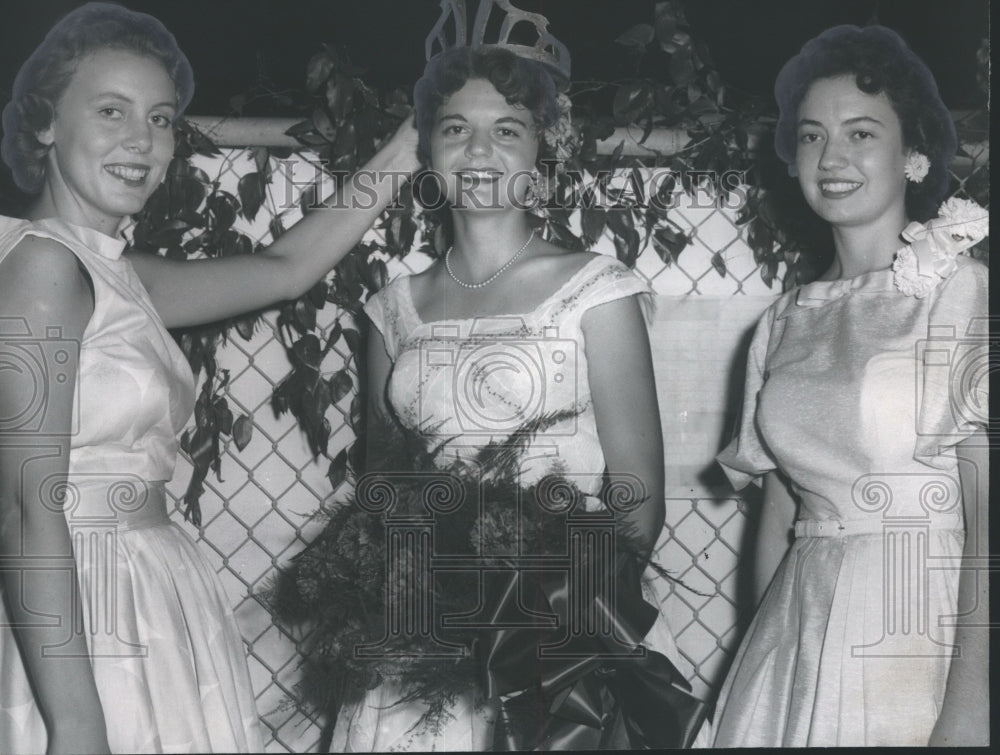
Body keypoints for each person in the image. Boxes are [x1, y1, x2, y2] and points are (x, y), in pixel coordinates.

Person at [0, 3, 418, 753]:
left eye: (160, 118)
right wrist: (75, 721)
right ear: (42, 125)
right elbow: (27, 508)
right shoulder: (41, 268)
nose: (143, 139)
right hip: (84, 613)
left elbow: (283, 268)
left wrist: (418, 135)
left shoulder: (110, 270)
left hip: (148, 588)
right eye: (111, 111)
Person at [325, 44, 688, 750]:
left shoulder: (596, 290)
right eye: (456, 128)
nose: (480, 149)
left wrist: (565, 630)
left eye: (508, 129)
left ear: (541, 149)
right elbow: (384, 486)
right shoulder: (392, 308)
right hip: (423, 632)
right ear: (428, 149)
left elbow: (638, 496)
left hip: (562, 631)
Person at [711, 25, 988, 747]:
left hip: (911, 621)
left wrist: (970, 711)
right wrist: (759, 664)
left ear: (915, 154)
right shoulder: (781, 322)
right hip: (797, 629)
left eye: (861, 133)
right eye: (811, 137)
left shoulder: (960, 295)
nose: (831, 157)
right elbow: (780, 517)